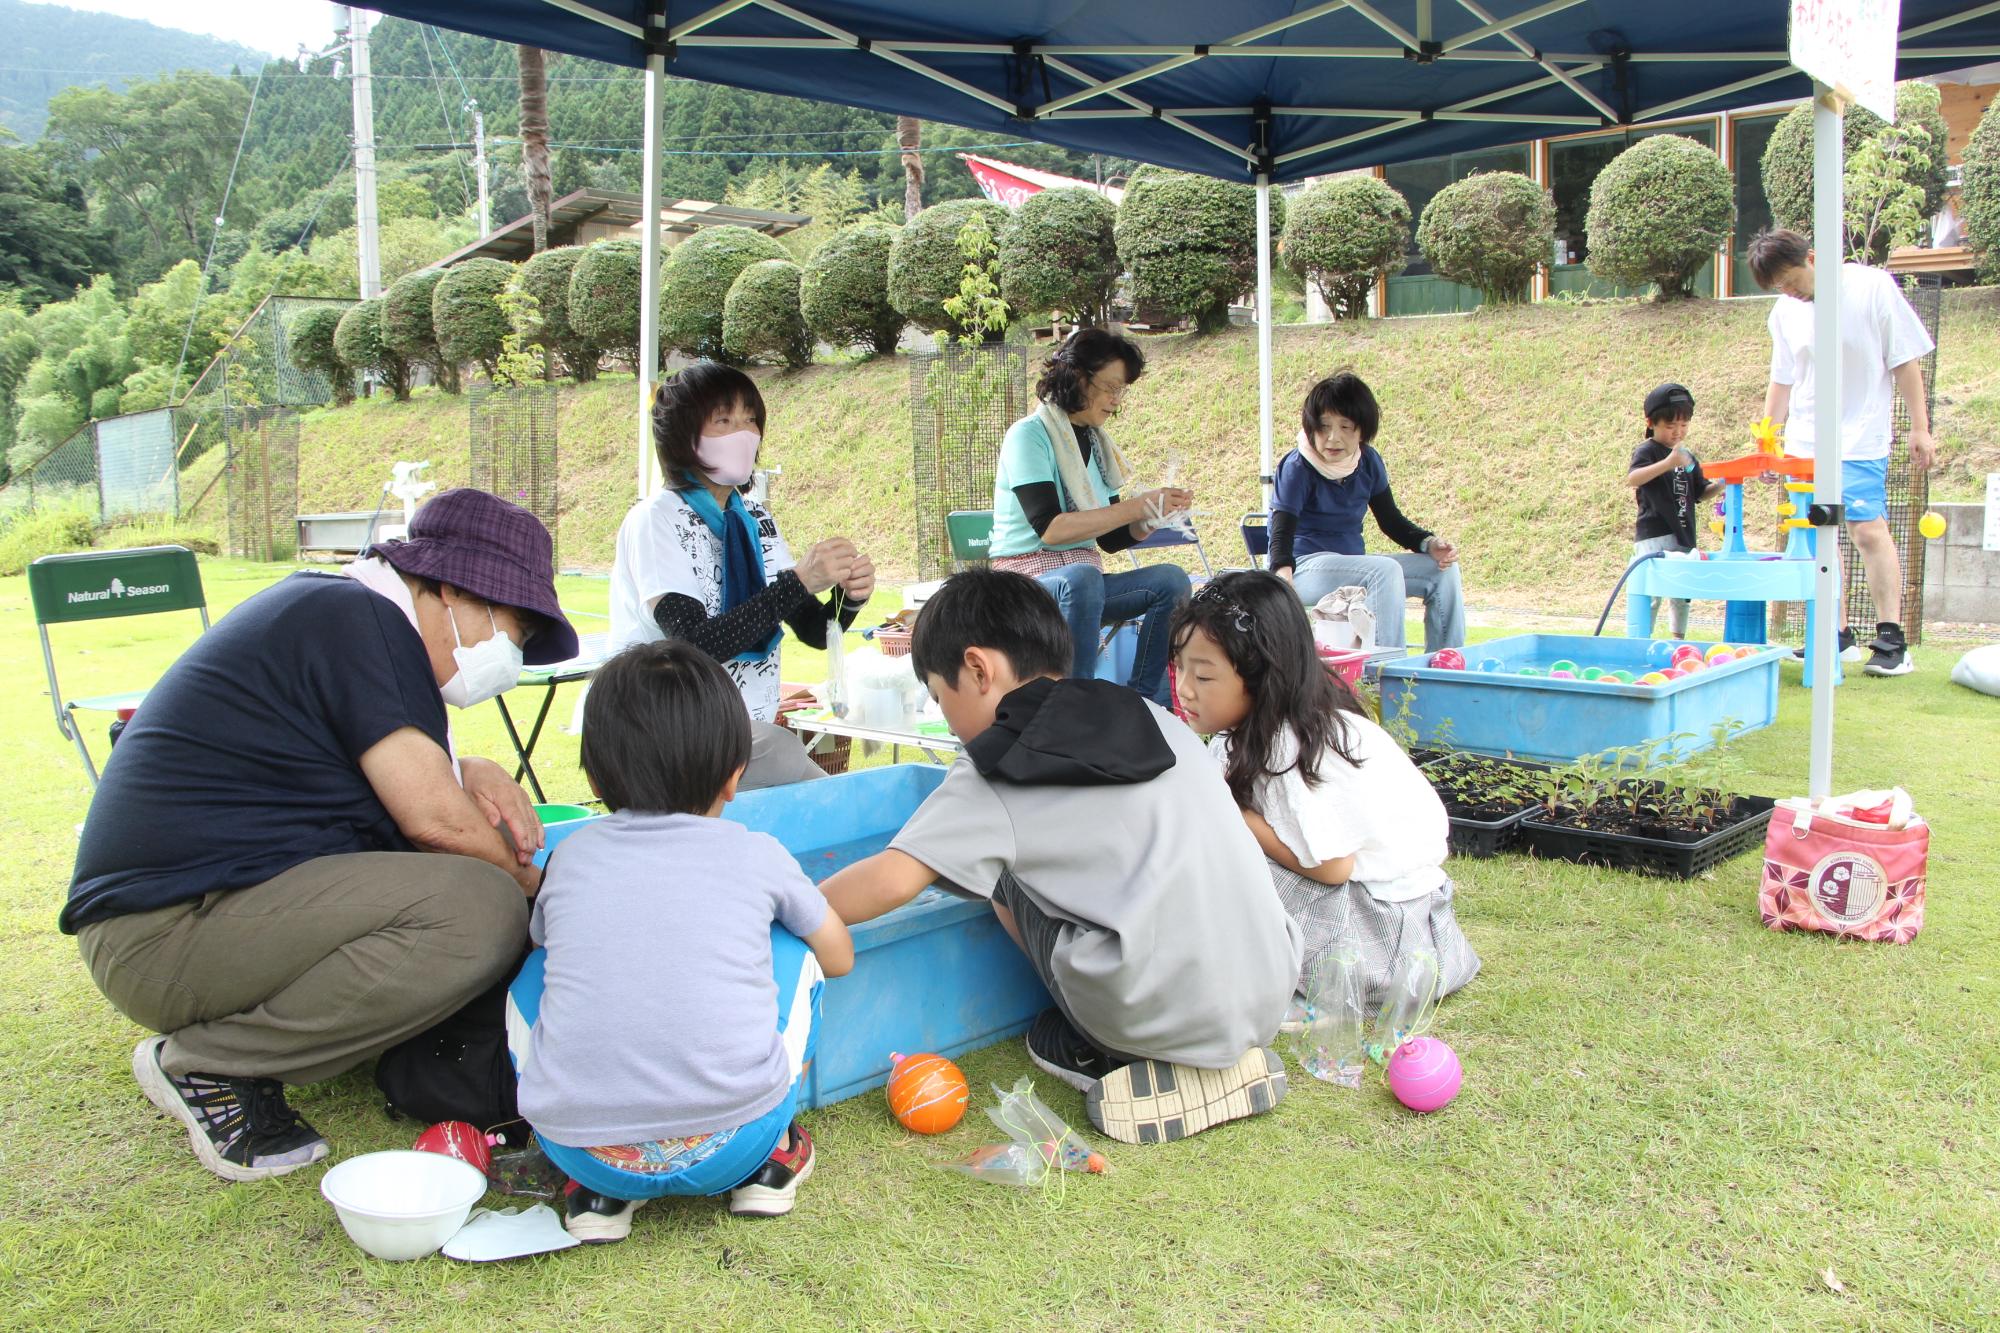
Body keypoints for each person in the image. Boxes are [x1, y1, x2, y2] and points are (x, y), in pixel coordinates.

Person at [63, 489, 574, 1181]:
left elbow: (408, 782)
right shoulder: (360, 621)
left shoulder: (348, 616)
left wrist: (469, 765)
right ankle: (212, 1062)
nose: (510, 653)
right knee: (479, 909)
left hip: (182, 919)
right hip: (163, 934)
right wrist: (551, 894)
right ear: (453, 588)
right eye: (512, 629)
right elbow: (433, 819)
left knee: (471, 898)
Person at [820, 569, 1299, 1147]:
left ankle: (1112, 1054)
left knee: (999, 874)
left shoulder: (998, 762)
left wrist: (793, 906)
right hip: (1269, 986)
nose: (944, 716)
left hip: (1148, 1011)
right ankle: (1221, 1053)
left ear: (977, 669)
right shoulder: (1149, 715)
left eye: (939, 696)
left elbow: (893, 880)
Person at [508, 640, 853, 1242]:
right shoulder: (756, 852)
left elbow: (550, 949)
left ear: (593, 774)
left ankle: (598, 1197)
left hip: (583, 1151)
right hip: (735, 1143)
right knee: (796, 950)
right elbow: (840, 957)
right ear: (732, 777)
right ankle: (773, 1162)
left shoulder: (570, 855)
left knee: (538, 968)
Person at [1171, 572, 1479, 1014]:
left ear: (1262, 676)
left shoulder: (1290, 746)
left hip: (1383, 940)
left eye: (1203, 675)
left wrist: (1232, 813)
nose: (1184, 688)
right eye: (1180, 667)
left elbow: (1334, 868)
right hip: (1399, 922)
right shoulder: (1264, 729)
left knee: (1220, 857)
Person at [609, 360, 876, 786]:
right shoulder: (656, 521)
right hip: (669, 736)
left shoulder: (753, 518)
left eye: (751, 421)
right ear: (683, 436)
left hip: (737, 733)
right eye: (724, 420)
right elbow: (693, 644)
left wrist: (849, 599)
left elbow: (812, 628)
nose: (745, 433)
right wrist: (800, 580)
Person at [1748, 228, 1937, 676]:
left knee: (1866, 530)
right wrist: (1766, 441)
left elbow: (1905, 360)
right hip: (1804, 441)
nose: (1788, 291)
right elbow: (1783, 380)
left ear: (1811, 258)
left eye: (1790, 279)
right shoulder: (1784, 312)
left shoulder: (1872, 287)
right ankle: (1835, 635)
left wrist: (1920, 428)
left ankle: (1892, 638)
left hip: (1860, 436)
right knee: (1817, 535)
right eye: (1779, 287)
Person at [988, 328, 1193, 705]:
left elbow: (1111, 540)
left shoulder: (1096, 444)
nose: (1117, 400)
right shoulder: (1028, 436)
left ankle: (1148, 704)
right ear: (1078, 378)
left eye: (1122, 390)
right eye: (1111, 387)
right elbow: (1050, 528)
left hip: (1084, 584)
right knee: (1082, 579)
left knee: (1172, 580)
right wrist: (1134, 505)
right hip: (1023, 588)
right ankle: (1073, 707)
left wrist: (1151, 514)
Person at [1270, 371, 1466, 654]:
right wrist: (1282, 578)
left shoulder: (1369, 462)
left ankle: (1447, 669)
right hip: (1303, 568)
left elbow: (1391, 521)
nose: (1332, 438)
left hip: (1354, 566)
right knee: (1383, 571)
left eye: (1345, 427)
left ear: (1362, 430)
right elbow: (1280, 531)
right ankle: (1386, 677)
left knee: (1442, 571)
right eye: (1323, 427)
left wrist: (1428, 543)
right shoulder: (1297, 467)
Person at [1625, 382, 1723, 639]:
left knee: (1682, 591)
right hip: (1653, 534)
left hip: (1683, 535)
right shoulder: (1647, 450)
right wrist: (1668, 463)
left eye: (1683, 425)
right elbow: (1634, 478)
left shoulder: (1687, 456)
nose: (1677, 432)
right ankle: (1638, 641)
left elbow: (1701, 492)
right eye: (1670, 426)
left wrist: (1724, 485)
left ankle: (1678, 641)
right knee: (1651, 593)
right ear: (1651, 422)